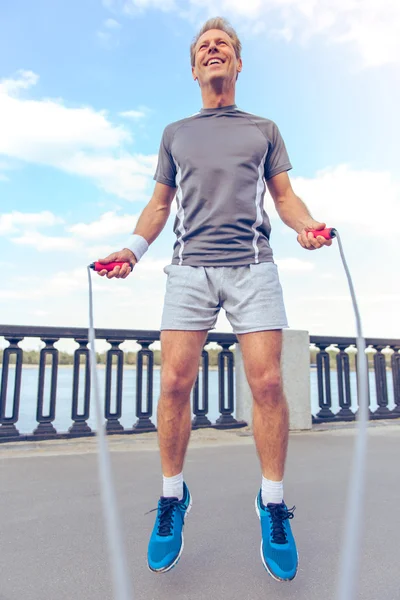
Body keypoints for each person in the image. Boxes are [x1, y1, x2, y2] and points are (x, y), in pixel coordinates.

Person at [97, 17, 332, 582]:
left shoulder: (264, 128)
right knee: (175, 382)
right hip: (188, 271)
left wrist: (306, 226)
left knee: (268, 384)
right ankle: (173, 498)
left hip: (253, 268)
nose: (213, 50)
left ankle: (272, 502)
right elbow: (158, 207)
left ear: (238, 62)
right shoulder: (176, 133)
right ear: (194, 67)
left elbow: (285, 196)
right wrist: (131, 251)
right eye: (204, 46)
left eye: (222, 44)